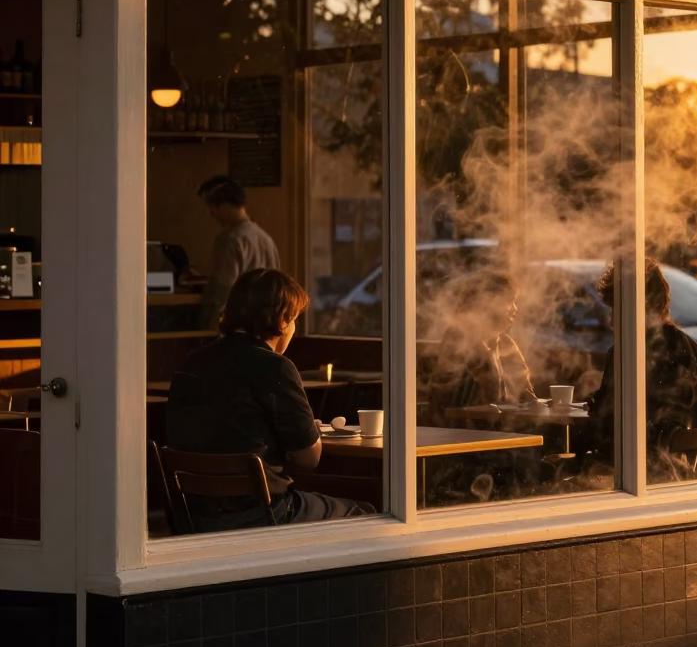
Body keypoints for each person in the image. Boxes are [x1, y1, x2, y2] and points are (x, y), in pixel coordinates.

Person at [166, 268, 374, 532]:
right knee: (365, 512)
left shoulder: (190, 363)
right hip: (261, 516)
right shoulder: (275, 368)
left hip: (194, 517)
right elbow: (309, 457)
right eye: (295, 319)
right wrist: (308, 431)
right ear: (283, 319)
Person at [587, 258, 697, 480]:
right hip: (680, 475)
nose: (612, 322)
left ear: (640, 306)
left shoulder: (630, 352)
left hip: (639, 475)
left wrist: (595, 407)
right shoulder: (690, 348)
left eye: (617, 309)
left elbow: (614, 431)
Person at [425, 269, 538, 429]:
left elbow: (527, 394)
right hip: (460, 434)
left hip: (500, 432)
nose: (515, 309)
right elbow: (490, 392)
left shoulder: (506, 343)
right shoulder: (461, 339)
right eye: (509, 301)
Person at [195, 175, 280, 329]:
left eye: (211, 206)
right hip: (263, 326)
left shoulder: (229, 239)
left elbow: (223, 292)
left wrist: (209, 327)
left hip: (236, 327)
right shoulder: (266, 240)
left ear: (224, 204)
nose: (211, 214)